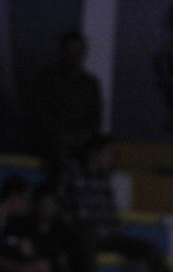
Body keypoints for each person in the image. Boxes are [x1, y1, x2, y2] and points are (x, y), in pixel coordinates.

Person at [63, 134, 173, 272]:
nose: (112, 159)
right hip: (85, 235)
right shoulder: (74, 175)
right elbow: (70, 211)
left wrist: (115, 231)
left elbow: (111, 214)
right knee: (84, 242)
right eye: (108, 153)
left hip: (110, 235)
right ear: (93, 154)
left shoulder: (105, 180)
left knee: (150, 248)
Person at [29, 31, 102, 170]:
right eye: (70, 51)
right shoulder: (47, 79)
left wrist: (83, 137)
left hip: (83, 141)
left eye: (78, 51)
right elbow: (40, 114)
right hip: (52, 142)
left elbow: (95, 118)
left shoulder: (90, 84)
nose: (74, 56)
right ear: (62, 51)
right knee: (59, 154)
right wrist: (62, 136)